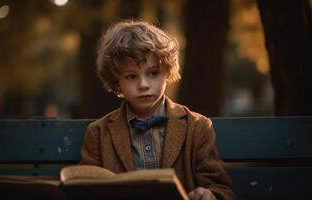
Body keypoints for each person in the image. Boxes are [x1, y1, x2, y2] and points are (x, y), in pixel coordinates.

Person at [80, 20, 235, 200]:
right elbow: (84, 188)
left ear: (167, 72)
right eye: (131, 76)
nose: (143, 85)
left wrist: (209, 194)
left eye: (153, 73)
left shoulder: (198, 126)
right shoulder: (98, 133)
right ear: (117, 83)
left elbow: (220, 187)